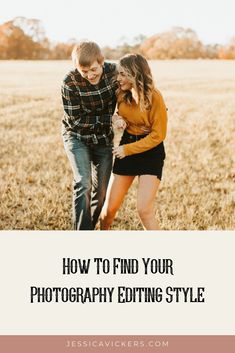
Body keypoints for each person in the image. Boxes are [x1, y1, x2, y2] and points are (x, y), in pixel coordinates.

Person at [100, 54, 167, 230]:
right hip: (127, 146)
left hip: (150, 153)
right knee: (108, 211)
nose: (118, 78)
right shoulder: (121, 93)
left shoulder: (155, 97)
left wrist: (128, 150)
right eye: (118, 74)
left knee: (144, 210)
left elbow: (158, 135)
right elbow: (117, 114)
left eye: (123, 74)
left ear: (135, 74)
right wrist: (117, 119)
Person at [61, 41, 117, 230]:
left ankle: (89, 229)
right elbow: (76, 121)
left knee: (101, 192)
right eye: (84, 72)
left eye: (93, 69)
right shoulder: (69, 82)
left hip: (103, 140)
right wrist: (109, 119)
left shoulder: (114, 72)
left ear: (101, 62)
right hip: (77, 137)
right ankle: (82, 236)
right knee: (83, 183)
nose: (89, 75)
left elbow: (133, 89)